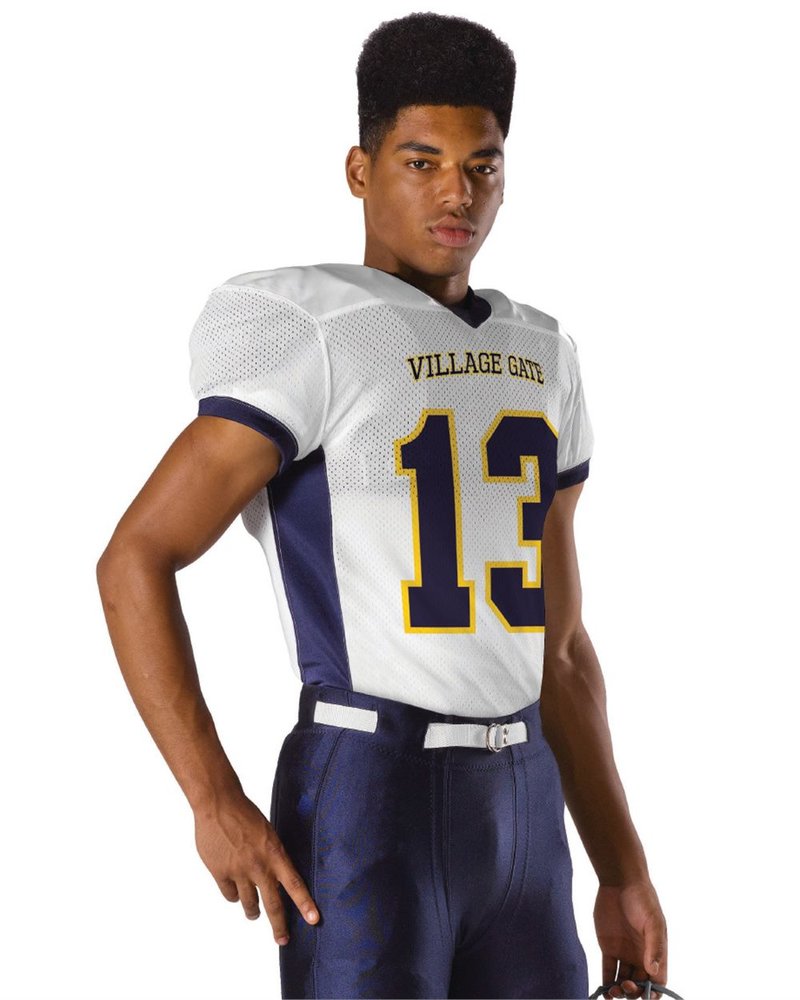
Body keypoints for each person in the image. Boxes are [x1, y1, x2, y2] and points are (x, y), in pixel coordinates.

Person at [97, 11, 669, 1000]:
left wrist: (620, 867)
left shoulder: (543, 351)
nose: (456, 193)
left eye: (481, 165)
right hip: (370, 788)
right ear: (359, 170)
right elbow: (136, 555)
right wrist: (210, 795)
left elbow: (563, 648)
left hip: (525, 802)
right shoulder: (310, 327)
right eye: (421, 161)